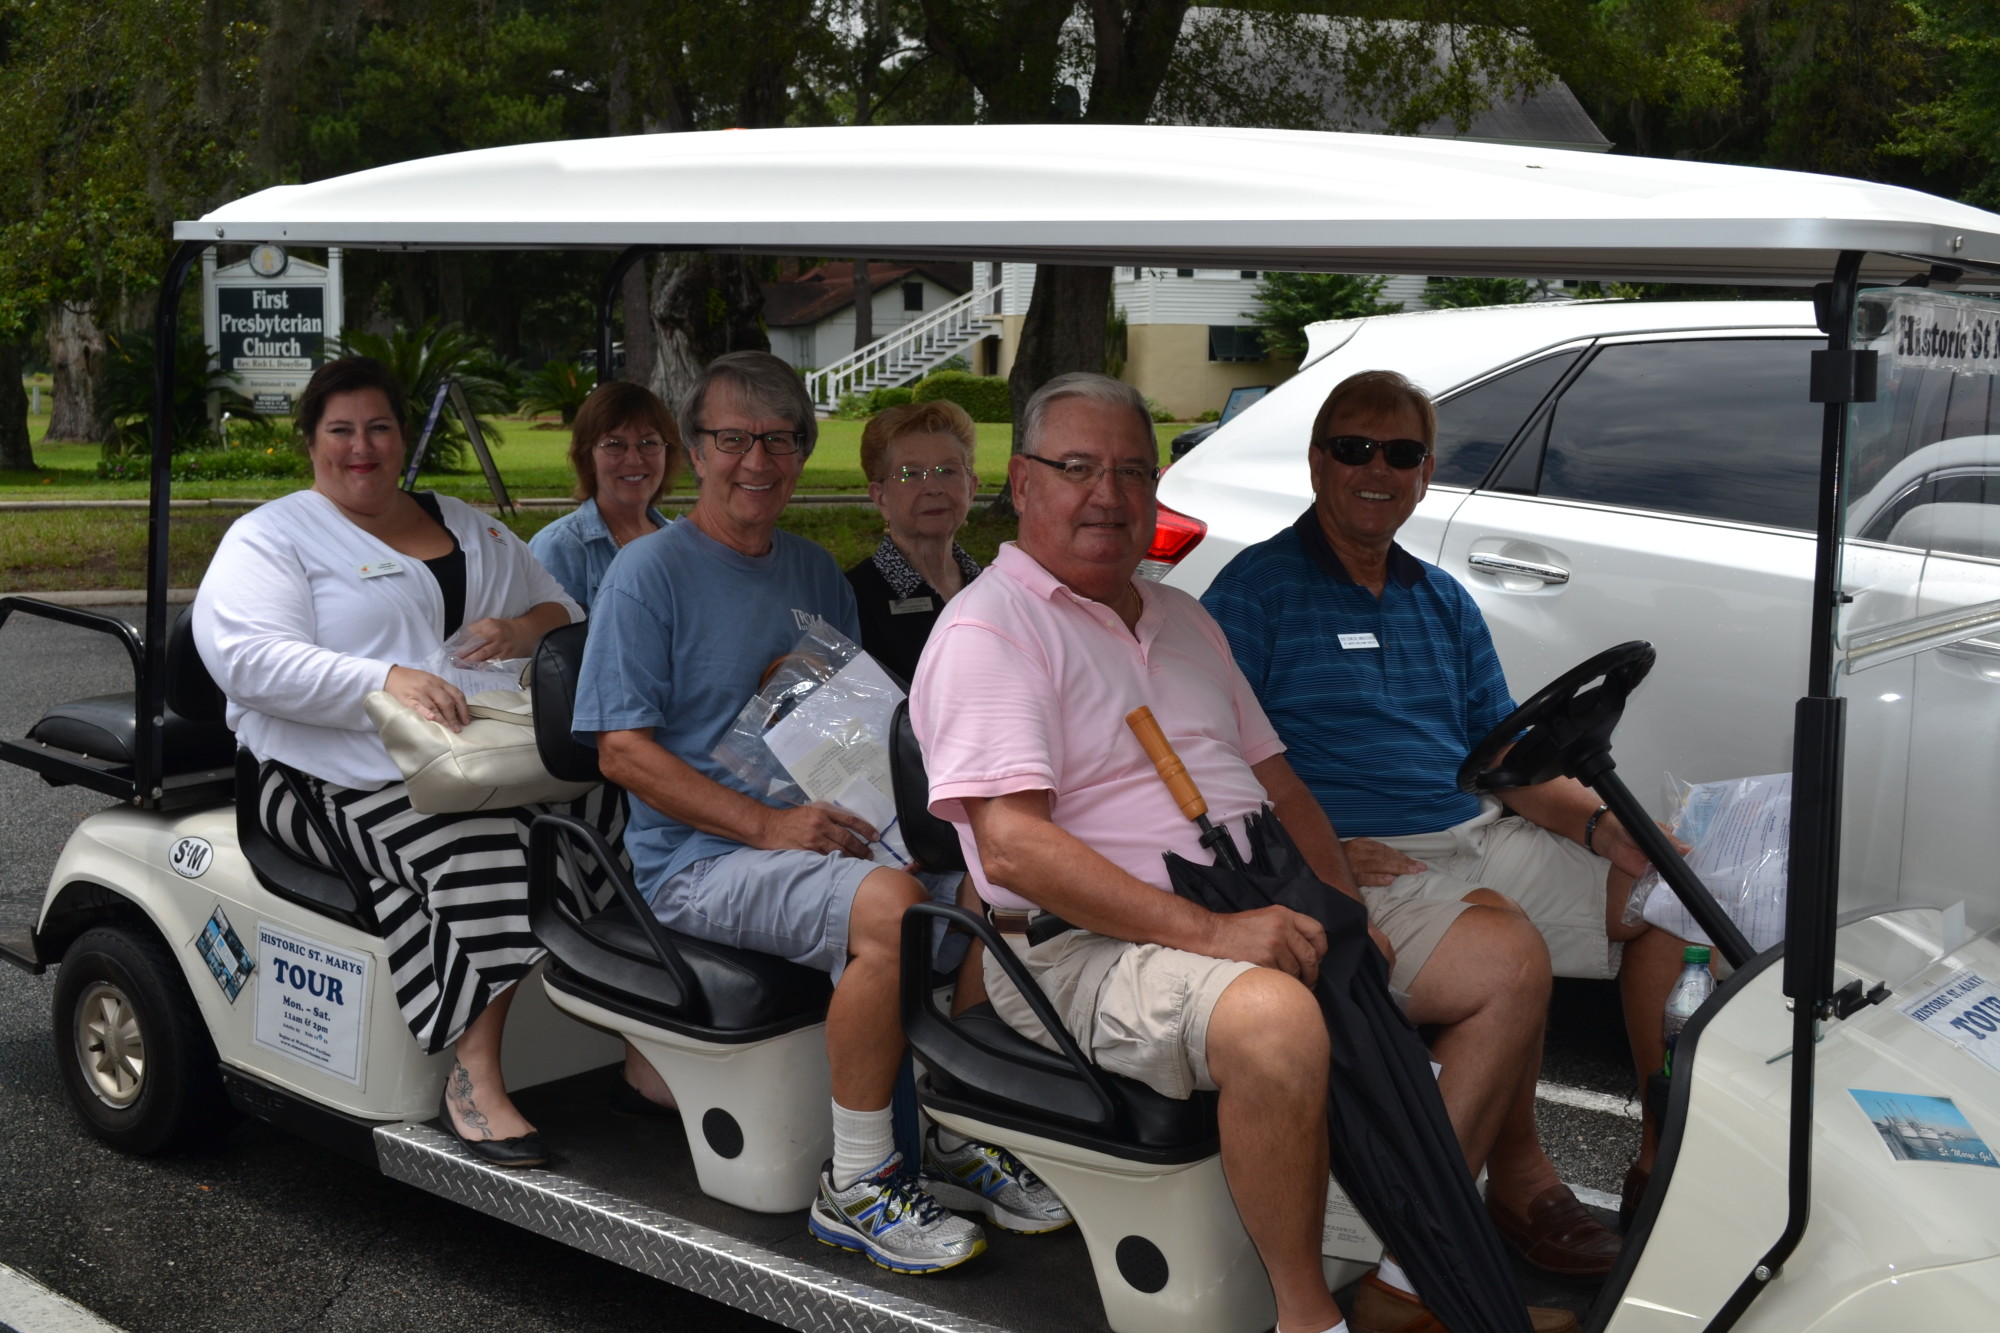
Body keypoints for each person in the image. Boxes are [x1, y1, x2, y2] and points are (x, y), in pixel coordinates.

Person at [913, 370, 1585, 1333]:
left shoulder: (1181, 618)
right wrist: (1217, 932)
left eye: (1133, 472)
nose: (1108, 494)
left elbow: (1281, 786)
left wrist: (1339, 911)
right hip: (1075, 945)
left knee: (1498, 959)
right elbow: (1014, 848)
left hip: (1249, 890)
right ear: (1022, 483)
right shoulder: (992, 630)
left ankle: (1419, 1274)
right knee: (1274, 1017)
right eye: (1077, 468)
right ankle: (1308, 1316)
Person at [571, 351, 1067, 1276]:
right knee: (890, 903)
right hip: (698, 861)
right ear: (697, 448)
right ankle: (857, 1180)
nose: (756, 461)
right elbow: (622, 753)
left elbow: (848, 729)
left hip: (824, 828)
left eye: (779, 440)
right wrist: (769, 827)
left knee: (999, 881)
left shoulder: (813, 573)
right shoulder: (649, 575)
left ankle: (950, 1122)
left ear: (802, 451)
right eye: (732, 440)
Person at [1199, 368, 1693, 1246]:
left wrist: (1605, 827)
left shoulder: (1442, 599)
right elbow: (1209, 762)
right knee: (1507, 951)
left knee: (1671, 896)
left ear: (1426, 472)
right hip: (1360, 854)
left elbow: (1501, 762)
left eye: (1401, 452)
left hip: (1470, 833)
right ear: (1317, 462)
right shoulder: (1255, 591)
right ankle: (1488, 1199)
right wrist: (1316, 855)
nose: (1375, 469)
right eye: (1354, 448)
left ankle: (1659, 1167)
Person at [193, 355, 619, 1170]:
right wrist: (381, 679)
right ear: (310, 441)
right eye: (341, 430)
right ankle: (474, 1073)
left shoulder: (464, 521)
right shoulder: (274, 536)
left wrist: (521, 631)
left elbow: (562, 604)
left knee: (613, 814)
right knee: (484, 852)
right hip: (322, 770)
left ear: (403, 435)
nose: (363, 447)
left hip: (482, 755)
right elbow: (247, 658)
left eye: (379, 427)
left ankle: (629, 1041)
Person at [844, 400, 982, 684]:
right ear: (880, 496)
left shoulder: (994, 588)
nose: (934, 488)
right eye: (911, 474)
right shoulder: (851, 600)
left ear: (972, 488)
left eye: (949, 471)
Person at [529, 380, 678, 611]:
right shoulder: (561, 548)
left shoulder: (679, 542)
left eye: (648, 443)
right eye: (615, 444)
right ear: (587, 457)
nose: (634, 459)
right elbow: (549, 643)